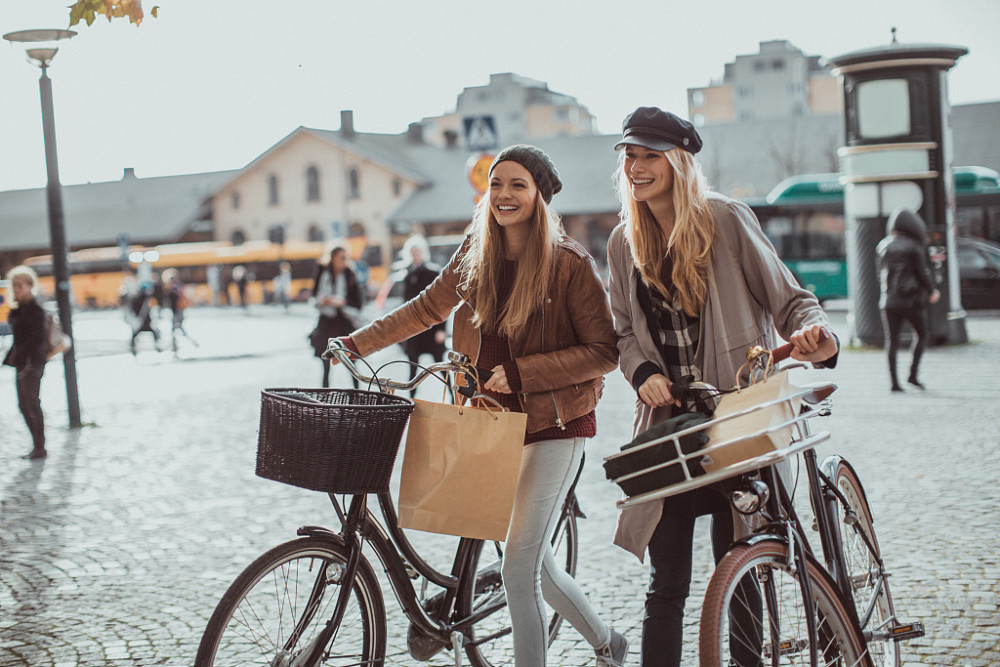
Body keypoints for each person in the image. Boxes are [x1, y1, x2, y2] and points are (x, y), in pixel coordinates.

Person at [334, 145, 629, 667]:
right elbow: (426, 307)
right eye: (497, 184)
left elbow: (604, 352)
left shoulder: (569, 263)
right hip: (488, 423)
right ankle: (608, 641)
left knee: (518, 567)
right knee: (534, 566)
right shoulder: (477, 250)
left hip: (556, 425)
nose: (504, 195)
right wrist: (357, 343)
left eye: (518, 185)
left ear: (539, 195)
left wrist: (523, 373)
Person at [605, 107, 839, 667]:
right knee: (666, 586)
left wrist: (817, 335)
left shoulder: (725, 220)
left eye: (649, 155)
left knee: (739, 573)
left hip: (739, 421)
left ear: (678, 161)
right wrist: (643, 374)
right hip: (673, 431)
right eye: (630, 155)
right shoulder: (622, 242)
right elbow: (620, 333)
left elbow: (790, 299)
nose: (636, 166)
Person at [876, 208, 940, 391]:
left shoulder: (883, 245)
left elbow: (878, 275)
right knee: (922, 334)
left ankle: (894, 383)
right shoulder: (914, 246)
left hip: (888, 301)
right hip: (911, 301)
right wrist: (931, 291)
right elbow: (922, 272)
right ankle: (912, 375)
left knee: (891, 341)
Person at [387, 235, 448, 393]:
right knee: (412, 367)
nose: (415, 254)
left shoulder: (432, 272)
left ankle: (454, 398)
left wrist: (442, 329)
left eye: (418, 251)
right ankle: (411, 402)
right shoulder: (407, 274)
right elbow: (405, 303)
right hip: (414, 328)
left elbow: (442, 303)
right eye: (413, 251)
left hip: (432, 326)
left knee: (441, 366)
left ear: (423, 252)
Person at [3, 266, 49, 460]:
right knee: (23, 404)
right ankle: (36, 445)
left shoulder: (35, 308)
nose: (17, 289)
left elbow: (37, 337)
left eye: (20, 285)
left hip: (32, 362)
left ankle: (40, 446)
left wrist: (23, 354)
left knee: (31, 403)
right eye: (15, 286)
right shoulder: (20, 307)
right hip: (22, 362)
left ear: (30, 286)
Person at [310, 242, 363, 388]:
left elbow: (358, 302)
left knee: (351, 362)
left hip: (344, 322)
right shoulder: (322, 271)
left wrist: (341, 302)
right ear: (333, 258)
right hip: (326, 322)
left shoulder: (350, 274)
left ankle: (357, 395)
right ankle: (325, 397)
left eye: (346, 257)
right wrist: (322, 300)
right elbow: (314, 294)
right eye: (341, 257)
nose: (344, 261)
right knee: (325, 362)